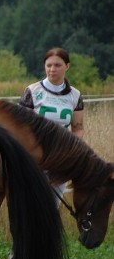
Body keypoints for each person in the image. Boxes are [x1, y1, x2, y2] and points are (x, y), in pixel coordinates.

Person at [19, 47, 85, 204]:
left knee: (52, 206)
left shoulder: (75, 95)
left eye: (57, 65)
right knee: (32, 204)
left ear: (67, 66)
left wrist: (70, 149)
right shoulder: (32, 91)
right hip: (35, 156)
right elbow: (19, 126)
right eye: (48, 65)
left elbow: (78, 128)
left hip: (61, 158)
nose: (52, 69)